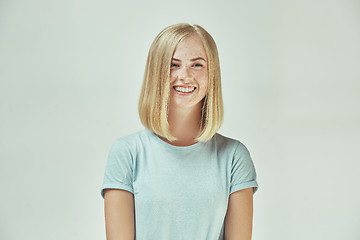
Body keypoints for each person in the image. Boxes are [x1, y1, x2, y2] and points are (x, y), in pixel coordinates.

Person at [101, 23, 258, 240]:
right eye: (173, 65)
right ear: (156, 73)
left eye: (197, 65)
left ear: (212, 74)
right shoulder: (127, 153)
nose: (184, 75)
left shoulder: (233, 157)